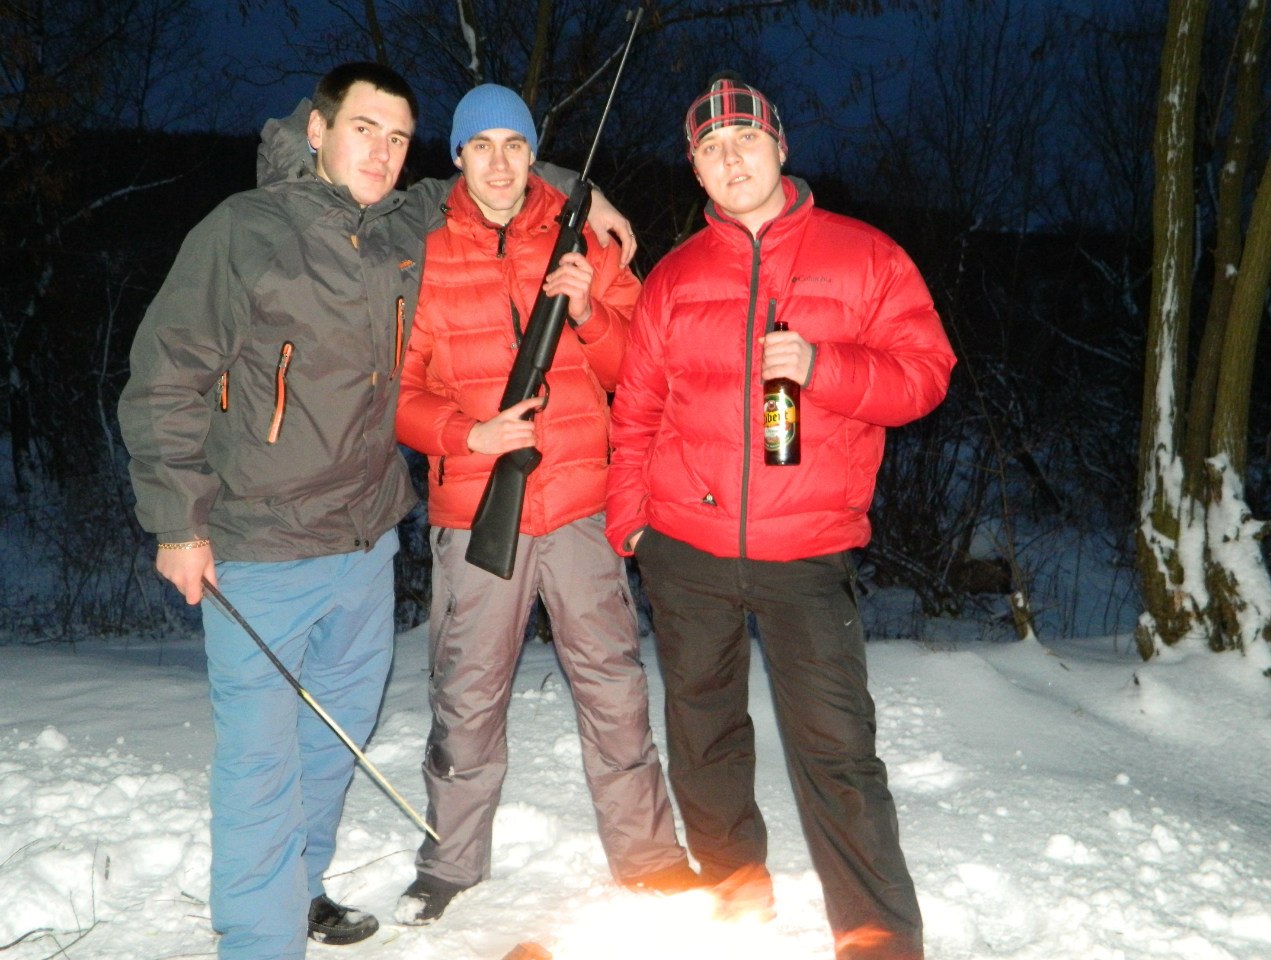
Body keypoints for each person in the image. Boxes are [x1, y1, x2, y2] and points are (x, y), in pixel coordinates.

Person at [118, 63, 634, 960]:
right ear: (318, 131)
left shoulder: (400, 223)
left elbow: (489, 176)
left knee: (336, 739)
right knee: (260, 757)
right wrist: (178, 523)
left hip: (365, 544)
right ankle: (259, 939)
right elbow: (165, 379)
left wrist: (579, 190)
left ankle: (303, 885)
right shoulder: (244, 229)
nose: (382, 152)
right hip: (258, 544)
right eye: (364, 130)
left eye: (397, 138)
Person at [604, 74, 957, 960]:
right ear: (695, 169)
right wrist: (633, 526)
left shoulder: (867, 256)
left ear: (781, 146)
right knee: (704, 736)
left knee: (837, 749)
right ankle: (736, 899)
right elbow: (635, 409)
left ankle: (878, 940)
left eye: (746, 141)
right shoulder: (675, 276)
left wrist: (823, 367)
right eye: (711, 149)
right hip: (686, 548)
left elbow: (926, 375)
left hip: (808, 550)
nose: (731, 161)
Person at [393, 84, 695, 927]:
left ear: (534, 155)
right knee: (467, 692)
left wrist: (591, 311)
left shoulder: (587, 238)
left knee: (614, 685)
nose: (499, 163)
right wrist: (470, 435)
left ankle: (650, 856)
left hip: (581, 508)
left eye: (515, 145)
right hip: (475, 512)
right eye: (481, 145)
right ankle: (450, 862)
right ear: (457, 156)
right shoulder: (421, 254)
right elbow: (396, 395)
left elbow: (642, 373)